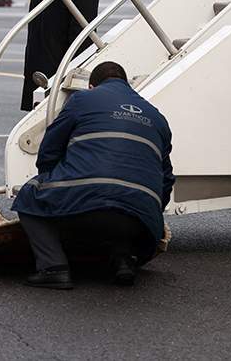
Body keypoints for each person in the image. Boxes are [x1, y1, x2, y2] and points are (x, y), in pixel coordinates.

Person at [12, 61, 174, 289]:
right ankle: (124, 259)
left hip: (86, 204)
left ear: (91, 86)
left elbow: (50, 149)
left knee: (29, 193)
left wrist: (52, 183)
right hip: (142, 224)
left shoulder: (82, 99)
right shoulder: (157, 117)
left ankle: (53, 268)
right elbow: (167, 179)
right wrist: (151, 214)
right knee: (125, 198)